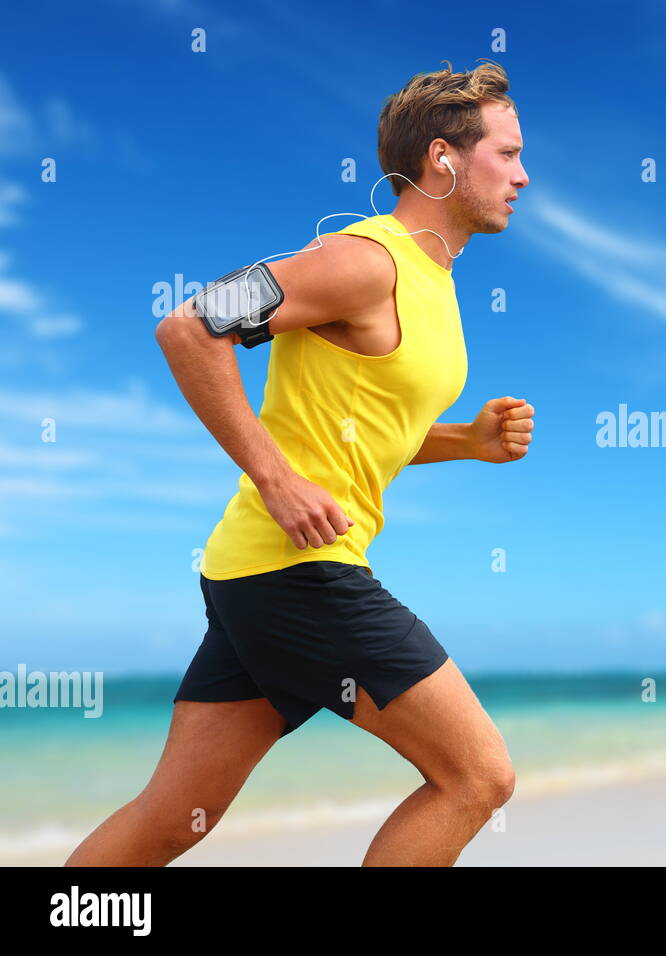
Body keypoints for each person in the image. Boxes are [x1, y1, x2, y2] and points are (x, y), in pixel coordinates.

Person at [65, 60, 532, 867]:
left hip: (256, 574)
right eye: (508, 153)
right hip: (302, 572)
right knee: (477, 777)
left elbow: (363, 433)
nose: (524, 176)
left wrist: (467, 441)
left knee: (177, 818)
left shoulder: (431, 279)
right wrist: (276, 481)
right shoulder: (363, 259)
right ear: (444, 160)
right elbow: (191, 327)